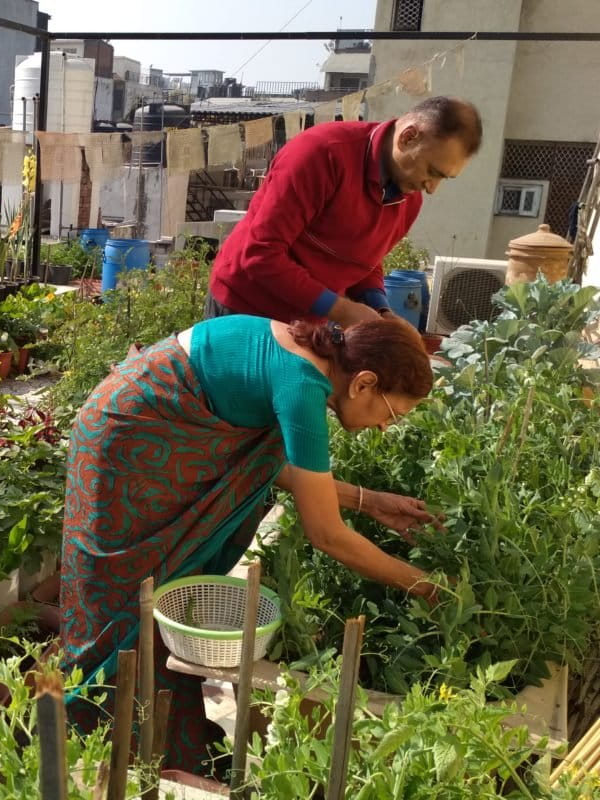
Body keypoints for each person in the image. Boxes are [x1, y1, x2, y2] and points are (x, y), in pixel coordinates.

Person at [61, 313, 438, 773]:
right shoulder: (301, 383)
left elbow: (266, 466)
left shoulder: (312, 358)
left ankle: (161, 740)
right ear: (363, 383)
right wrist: (428, 586)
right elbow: (327, 535)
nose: (385, 427)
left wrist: (370, 501)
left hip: (150, 433)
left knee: (164, 598)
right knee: (124, 599)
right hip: (129, 444)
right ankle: (91, 732)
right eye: (391, 413)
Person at [206, 96, 483, 326]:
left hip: (308, 320)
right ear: (408, 137)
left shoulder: (409, 198)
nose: (432, 188)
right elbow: (260, 255)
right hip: (244, 309)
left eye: (444, 178)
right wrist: (340, 310)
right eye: (432, 172)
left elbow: (364, 260)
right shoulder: (321, 154)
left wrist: (380, 311)